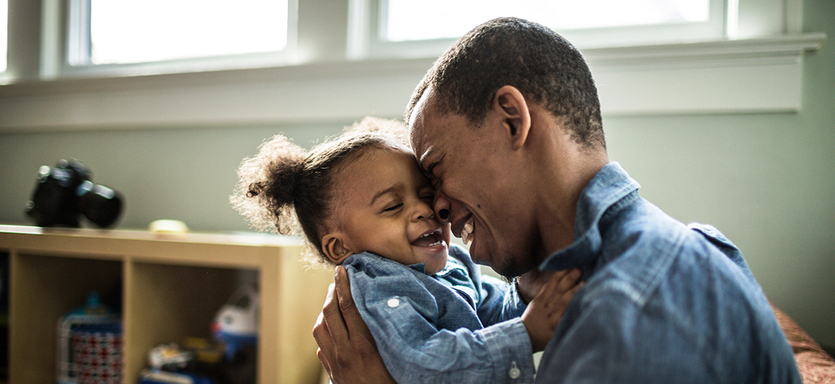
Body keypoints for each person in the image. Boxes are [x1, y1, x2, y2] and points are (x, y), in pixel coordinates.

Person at [313, 17, 802, 383]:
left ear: (512, 120)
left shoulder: (626, 317)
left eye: (436, 171)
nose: (437, 207)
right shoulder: (673, 252)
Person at [231, 117, 583, 384]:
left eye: (426, 195)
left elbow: (488, 314)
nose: (424, 210)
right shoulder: (378, 288)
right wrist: (526, 333)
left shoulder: (448, 266)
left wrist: (528, 295)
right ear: (340, 247)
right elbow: (423, 363)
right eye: (392, 206)